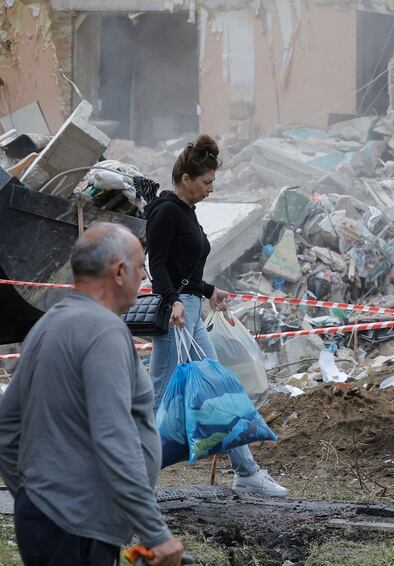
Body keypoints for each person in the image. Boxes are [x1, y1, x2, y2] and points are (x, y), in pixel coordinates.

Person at [0, 223, 183, 566]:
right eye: (141, 267)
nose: (144, 276)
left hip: (47, 520)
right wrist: (156, 534)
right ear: (118, 272)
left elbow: (6, 424)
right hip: (78, 528)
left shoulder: (49, 323)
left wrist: (31, 496)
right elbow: (114, 436)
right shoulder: (104, 332)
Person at [146, 134, 286, 497]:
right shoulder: (165, 211)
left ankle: (246, 471)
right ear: (187, 179)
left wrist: (208, 291)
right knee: (156, 395)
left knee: (218, 391)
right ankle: (127, 473)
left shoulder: (187, 212)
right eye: (206, 182)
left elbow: (182, 266)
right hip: (174, 316)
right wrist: (173, 300)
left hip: (191, 309)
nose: (210, 189)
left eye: (213, 182)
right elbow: (157, 264)